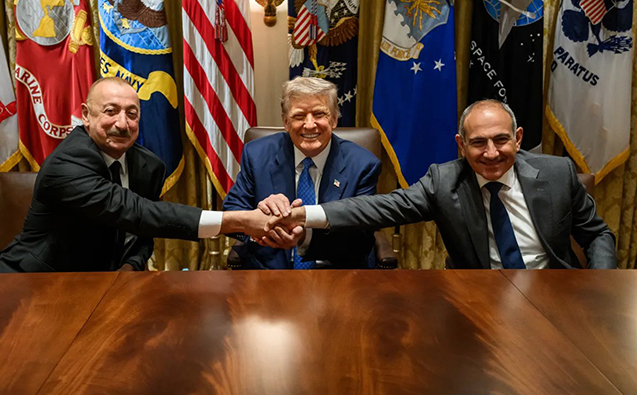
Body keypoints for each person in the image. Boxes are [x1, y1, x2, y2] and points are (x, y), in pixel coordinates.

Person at [271, 100, 617, 269]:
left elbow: (597, 234)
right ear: (461, 145)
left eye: (501, 140)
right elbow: (378, 207)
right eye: (478, 143)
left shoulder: (557, 173)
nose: (491, 153)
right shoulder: (445, 180)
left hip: (554, 292)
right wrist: (303, 215)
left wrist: (599, 283)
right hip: (479, 298)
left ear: (518, 138)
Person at [0, 77, 271, 273]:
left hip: (105, 286)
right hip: (35, 281)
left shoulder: (148, 166)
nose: (122, 123)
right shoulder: (67, 162)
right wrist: (238, 221)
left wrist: (130, 267)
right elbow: (138, 212)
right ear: (86, 115)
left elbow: (142, 233)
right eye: (110, 111)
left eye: (132, 114)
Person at [223, 77, 381, 269]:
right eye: (299, 116)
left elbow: (362, 238)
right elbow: (231, 212)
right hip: (268, 271)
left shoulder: (363, 165)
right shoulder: (257, 154)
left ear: (334, 119)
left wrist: (306, 236)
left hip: (336, 271)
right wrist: (263, 219)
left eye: (319, 114)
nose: (309, 124)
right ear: (286, 122)